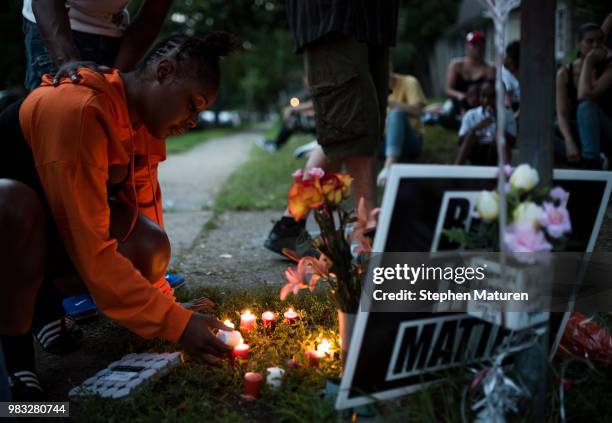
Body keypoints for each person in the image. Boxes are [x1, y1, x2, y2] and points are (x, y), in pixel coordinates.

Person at [0, 32, 239, 400]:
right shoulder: (78, 110)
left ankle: (41, 298)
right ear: (163, 71)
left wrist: (165, 303)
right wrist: (177, 325)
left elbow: (143, 215)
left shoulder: (140, 122)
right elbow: (91, 247)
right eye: (192, 105)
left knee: (149, 244)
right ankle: (15, 358)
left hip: (50, 223)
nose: (192, 121)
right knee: (11, 203)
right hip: (12, 228)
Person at [23, 0, 174, 90]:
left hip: (112, 25)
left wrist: (117, 76)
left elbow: (152, 16)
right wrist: (68, 61)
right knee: (58, 112)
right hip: (54, 20)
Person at [555, 23, 612, 168]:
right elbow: (561, 114)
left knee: (586, 107)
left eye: (600, 40)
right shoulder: (564, 73)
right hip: (581, 134)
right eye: (590, 41)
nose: (596, 45)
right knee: (546, 127)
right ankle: (582, 160)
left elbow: (584, 95)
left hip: (606, 131)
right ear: (579, 44)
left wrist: (588, 62)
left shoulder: (609, 67)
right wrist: (569, 142)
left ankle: (591, 161)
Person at [376, 67, 427, 187]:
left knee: (396, 114)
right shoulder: (369, 88)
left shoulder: (409, 81)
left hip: (410, 142)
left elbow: (419, 112)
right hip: (382, 142)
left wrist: (389, 102)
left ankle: (388, 167)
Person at [439, 31, 495, 130]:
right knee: (446, 110)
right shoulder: (456, 65)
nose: (478, 48)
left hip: (479, 104)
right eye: (474, 45)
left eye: (481, 45)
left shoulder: (489, 69)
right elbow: (448, 89)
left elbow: (491, 90)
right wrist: (461, 96)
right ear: (467, 47)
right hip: (458, 103)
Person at [456, 81, 516, 165]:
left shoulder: (507, 114)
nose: (487, 100)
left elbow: (513, 141)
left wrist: (498, 124)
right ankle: (457, 171)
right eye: (483, 96)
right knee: (470, 135)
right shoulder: (471, 115)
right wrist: (475, 128)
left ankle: (506, 171)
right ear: (479, 96)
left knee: (499, 137)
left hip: (497, 153)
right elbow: (460, 141)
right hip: (476, 152)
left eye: (492, 97)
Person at [502, 40, 520, 113]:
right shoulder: (503, 73)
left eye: (509, 57)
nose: (505, 59)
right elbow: (507, 102)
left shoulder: (526, 75)